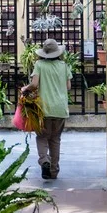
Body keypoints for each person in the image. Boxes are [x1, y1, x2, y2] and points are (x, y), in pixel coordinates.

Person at [30, 38, 71, 180]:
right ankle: (53, 171)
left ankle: (44, 161)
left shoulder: (39, 65)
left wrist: (25, 89)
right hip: (60, 109)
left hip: (44, 109)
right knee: (55, 139)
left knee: (42, 137)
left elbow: (34, 84)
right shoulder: (64, 66)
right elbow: (68, 86)